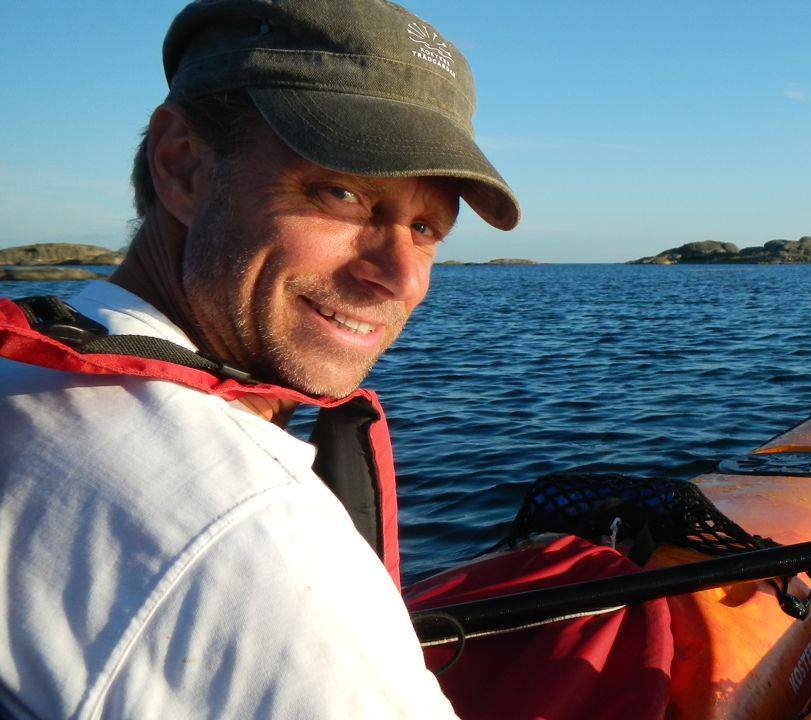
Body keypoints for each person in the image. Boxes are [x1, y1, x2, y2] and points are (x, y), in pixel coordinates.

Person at [0, 1, 518, 717]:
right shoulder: (249, 530)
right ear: (182, 165)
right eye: (342, 194)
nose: (400, 276)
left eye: (426, 227)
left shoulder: (22, 383)